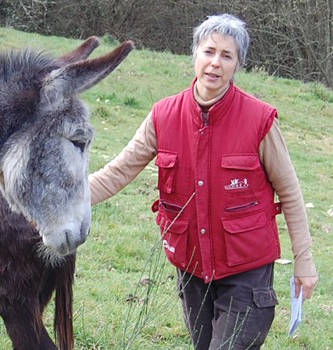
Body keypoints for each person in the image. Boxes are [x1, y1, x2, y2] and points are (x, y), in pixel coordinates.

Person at [89, 13, 319, 350]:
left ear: (238, 64)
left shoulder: (260, 120)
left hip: (247, 272)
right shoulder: (163, 115)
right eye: (209, 51)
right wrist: (60, 201)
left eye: (227, 56)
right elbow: (117, 173)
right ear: (194, 54)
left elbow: (290, 193)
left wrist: (305, 261)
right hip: (192, 270)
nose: (215, 63)